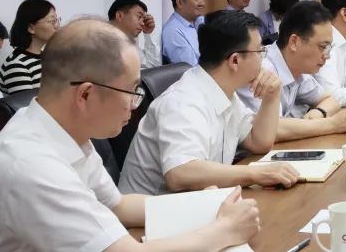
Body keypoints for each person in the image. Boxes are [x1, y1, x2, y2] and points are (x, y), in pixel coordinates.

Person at [0, 18, 261, 252]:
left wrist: (202, 206)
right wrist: (225, 230)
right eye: (131, 91)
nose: (135, 106)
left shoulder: (62, 130)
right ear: (85, 94)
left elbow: (118, 206)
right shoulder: (31, 163)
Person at [119, 10, 297, 195]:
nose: (263, 58)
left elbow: (259, 141)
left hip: (197, 202)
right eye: (260, 51)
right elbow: (180, 174)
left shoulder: (224, 91)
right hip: (151, 211)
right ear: (235, 60)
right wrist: (254, 174)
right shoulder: (183, 102)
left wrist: (272, 97)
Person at [239, 1, 346, 142]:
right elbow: (269, 129)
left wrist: (319, 112)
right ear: (294, 42)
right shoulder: (259, 69)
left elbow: (330, 98)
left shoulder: (297, 68)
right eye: (322, 47)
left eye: (329, 48)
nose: (327, 56)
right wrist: (332, 124)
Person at [0, 0, 58, 95]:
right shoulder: (16, 66)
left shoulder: (47, 57)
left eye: (57, 20)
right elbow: (27, 105)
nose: (56, 26)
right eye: (52, 21)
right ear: (31, 28)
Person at [161, 0, 206, 66]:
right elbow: (191, 69)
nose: (202, 3)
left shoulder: (200, 21)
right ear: (180, 3)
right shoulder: (173, 31)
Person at [108, 0, 161, 68]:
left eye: (143, 19)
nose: (143, 23)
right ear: (119, 16)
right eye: (139, 17)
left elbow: (153, 67)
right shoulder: (100, 43)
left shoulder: (128, 43)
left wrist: (148, 34)